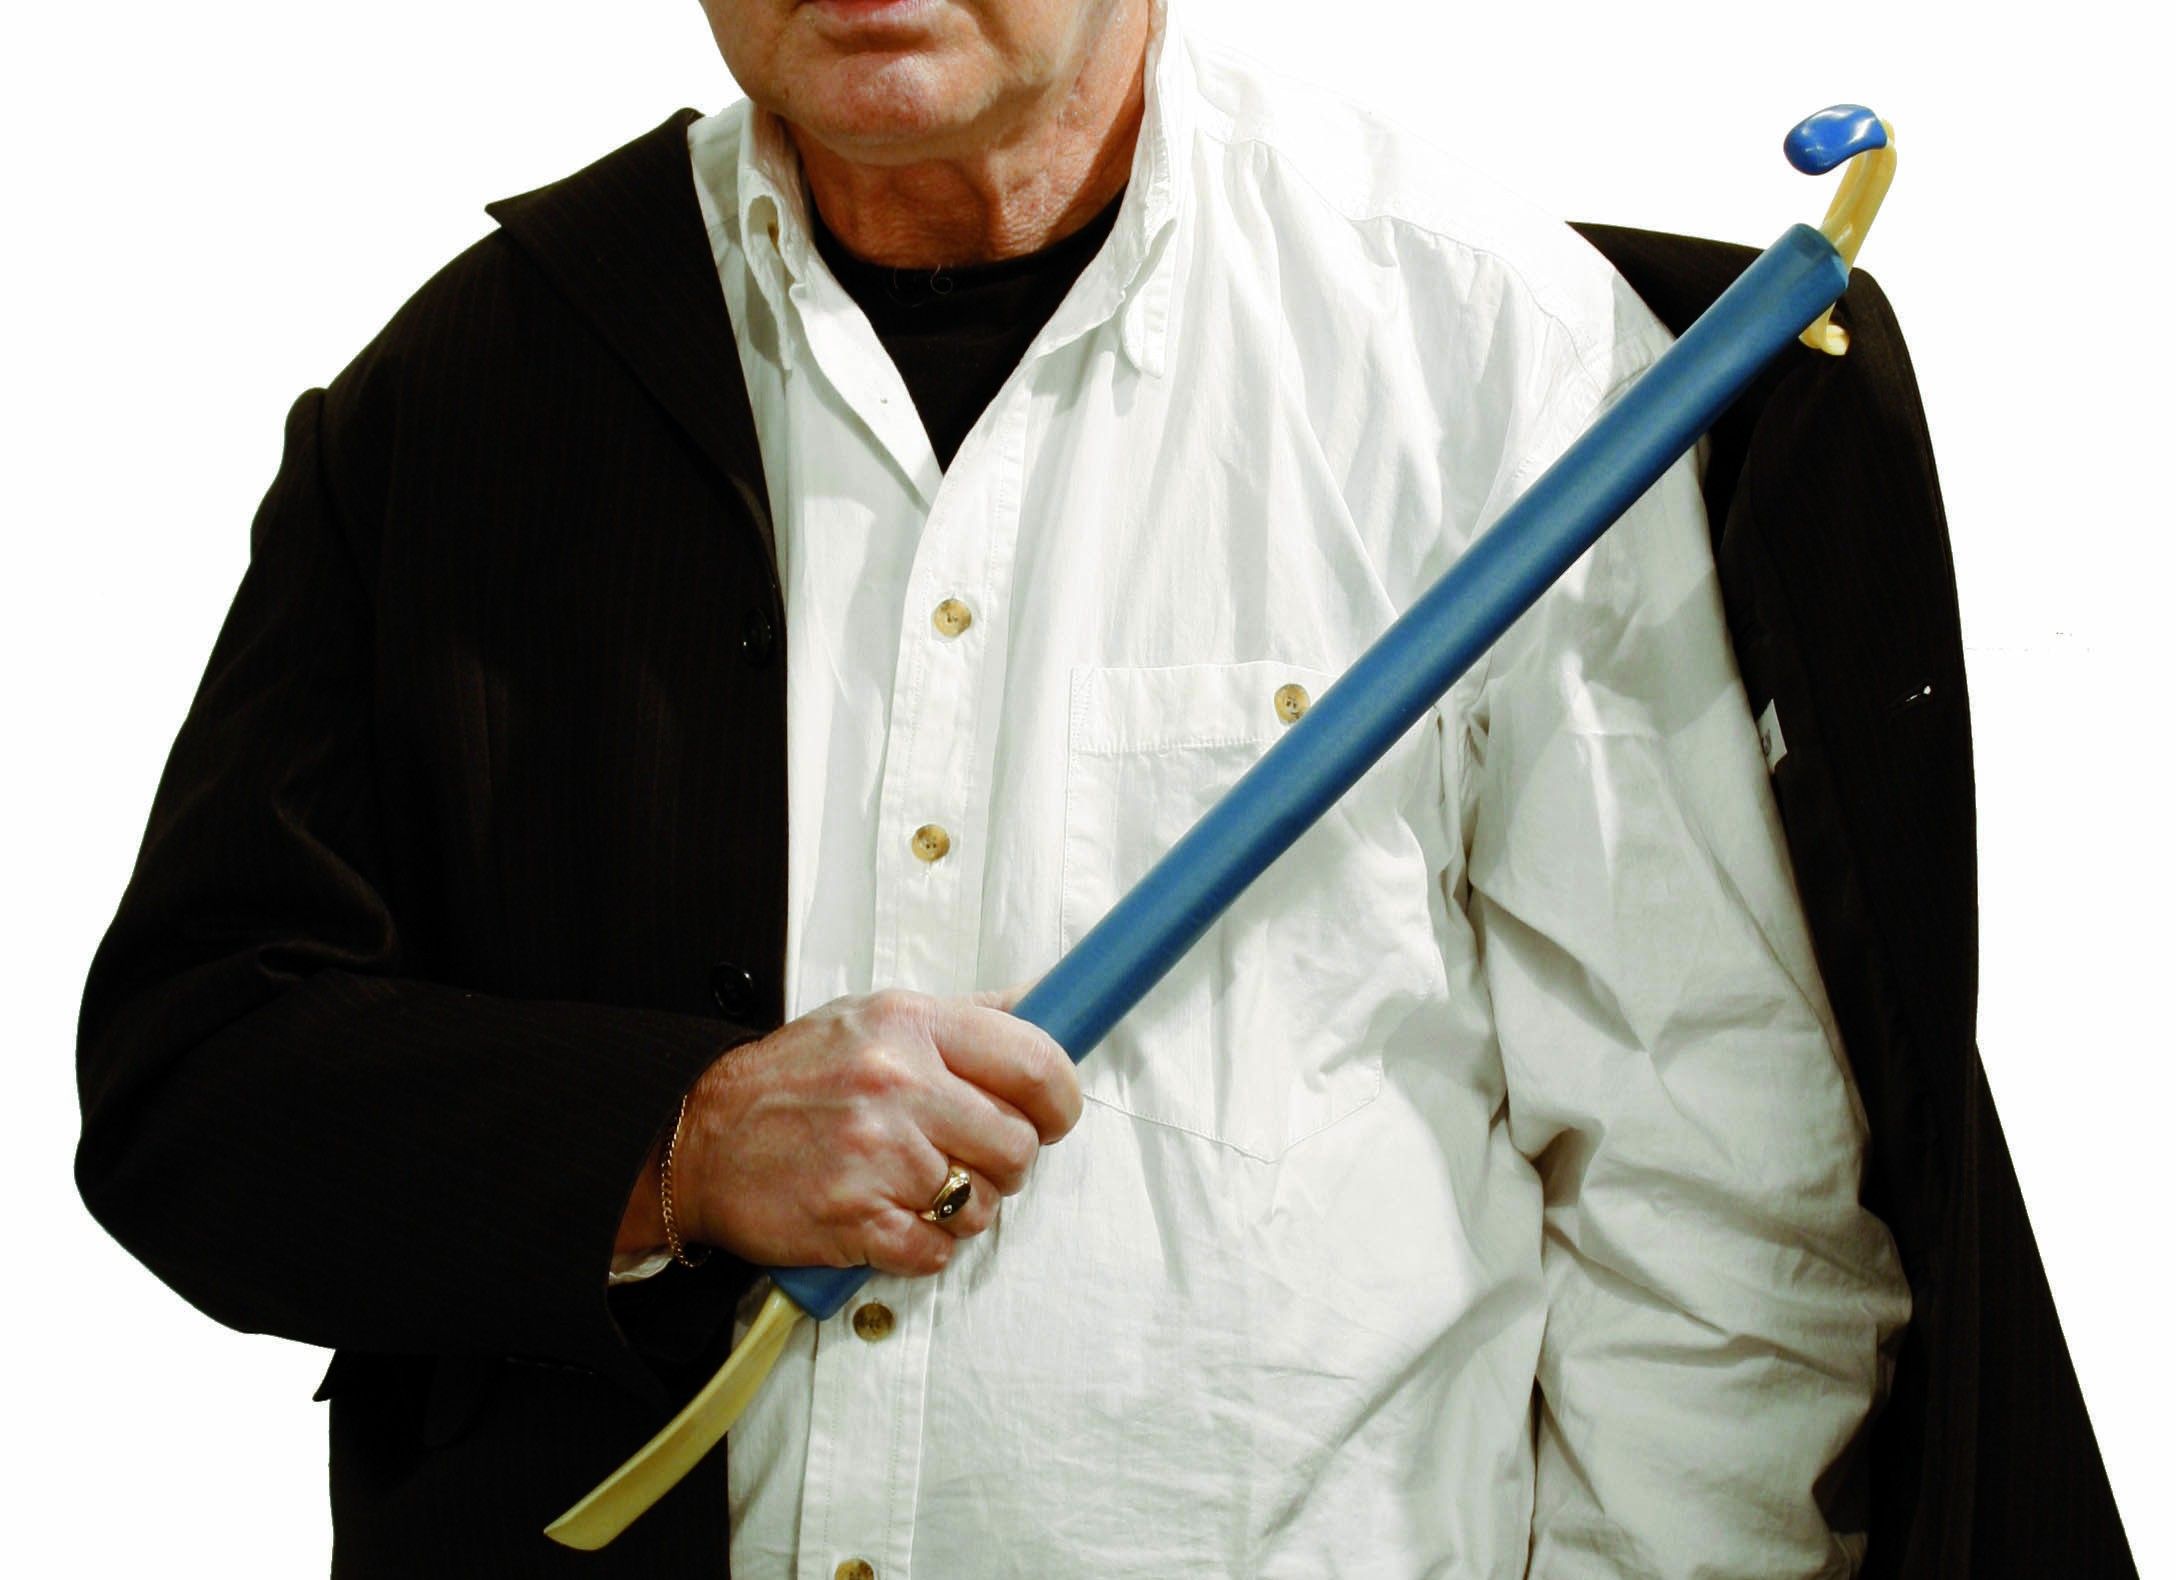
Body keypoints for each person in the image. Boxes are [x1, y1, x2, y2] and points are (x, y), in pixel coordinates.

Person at [76, 0, 1912, 1574]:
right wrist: (674, 1147)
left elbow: (1717, 1211)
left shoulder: (1498, 358)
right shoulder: (466, 389)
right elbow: (198, 1085)